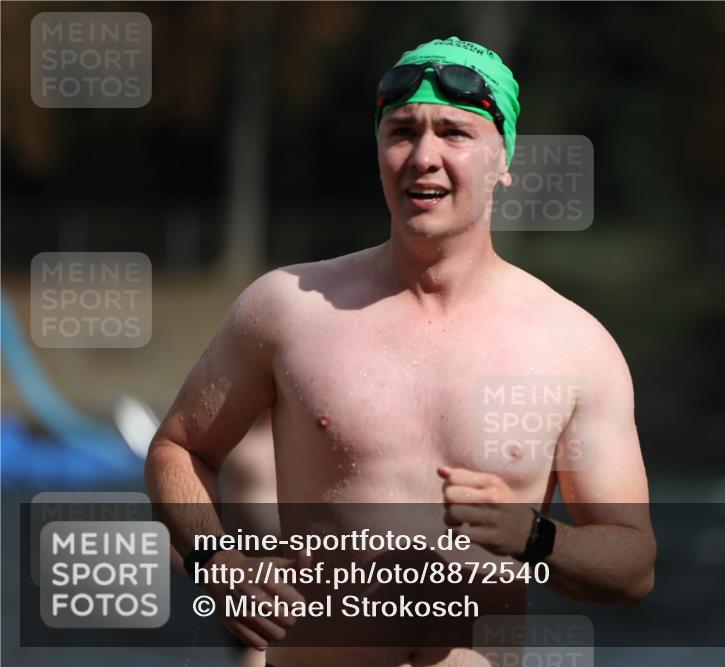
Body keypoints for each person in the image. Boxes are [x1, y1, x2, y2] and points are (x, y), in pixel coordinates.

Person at [146, 36, 655, 667]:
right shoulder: (289, 308)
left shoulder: (573, 346)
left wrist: (535, 537)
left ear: (503, 160)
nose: (424, 157)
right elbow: (179, 447)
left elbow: (633, 564)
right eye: (402, 131)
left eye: (454, 132)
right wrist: (215, 560)